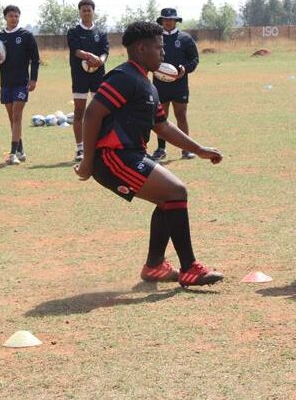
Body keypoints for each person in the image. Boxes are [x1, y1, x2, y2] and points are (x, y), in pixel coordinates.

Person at [75, 21, 224, 287]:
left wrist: (198, 149)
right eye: (159, 47)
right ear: (142, 49)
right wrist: (87, 162)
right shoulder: (123, 77)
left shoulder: (147, 85)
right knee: (176, 191)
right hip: (113, 157)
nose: (163, 53)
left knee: (169, 198)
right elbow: (92, 113)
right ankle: (189, 268)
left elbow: (163, 126)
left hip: (132, 156)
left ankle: (155, 266)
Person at [0, 5, 39, 165]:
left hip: (22, 83)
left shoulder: (26, 35)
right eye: (11, 16)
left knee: (17, 115)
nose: (14, 19)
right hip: (6, 83)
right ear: (5, 18)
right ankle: (20, 150)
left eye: (16, 16)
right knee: (12, 118)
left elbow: (35, 59)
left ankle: (12, 153)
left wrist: (33, 79)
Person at [150, 8, 199, 161]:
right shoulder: (154, 39)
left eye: (171, 19)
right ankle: (161, 149)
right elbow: (146, 57)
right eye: (165, 19)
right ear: (161, 21)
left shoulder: (185, 39)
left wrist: (186, 68)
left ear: (176, 21)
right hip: (160, 84)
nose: (168, 22)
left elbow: (194, 59)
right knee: (160, 118)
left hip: (180, 84)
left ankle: (186, 149)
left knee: (181, 116)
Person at [67, 0, 110, 163]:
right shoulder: (73, 32)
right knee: (79, 112)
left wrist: (100, 60)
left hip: (98, 76)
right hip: (80, 76)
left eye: (89, 10)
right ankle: (80, 148)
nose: (86, 12)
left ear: (93, 12)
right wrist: (89, 56)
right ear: (80, 12)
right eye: (83, 10)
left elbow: (105, 51)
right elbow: (75, 51)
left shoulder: (101, 32)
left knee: (101, 112)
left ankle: (101, 145)